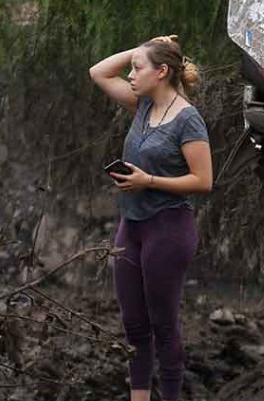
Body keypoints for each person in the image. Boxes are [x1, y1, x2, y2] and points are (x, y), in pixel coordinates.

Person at [89, 35, 213, 401]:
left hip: (168, 229)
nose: (129, 75)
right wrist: (143, 49)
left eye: (137, 68)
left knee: (163, 326)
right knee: (134, 326)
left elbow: (203, 181)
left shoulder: (188, 120)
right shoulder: (142, 105)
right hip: (132, 227)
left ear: (161, 72)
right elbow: (98, 72)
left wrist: (149, 181)